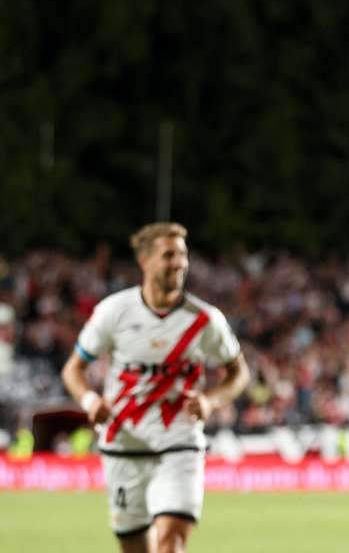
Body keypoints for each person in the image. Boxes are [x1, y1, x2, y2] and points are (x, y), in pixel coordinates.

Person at [61, 222, 250, 553]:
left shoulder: (206, 320)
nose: (179, 263)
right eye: (169, 255)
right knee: (135, 548)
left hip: (180, 442)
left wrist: (211, 401)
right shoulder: (114, 312)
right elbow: (73, 370)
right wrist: (90, 399)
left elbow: (239, 373)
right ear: (145, 261)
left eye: (182, 254)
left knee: (170, 543)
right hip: (124, 442)